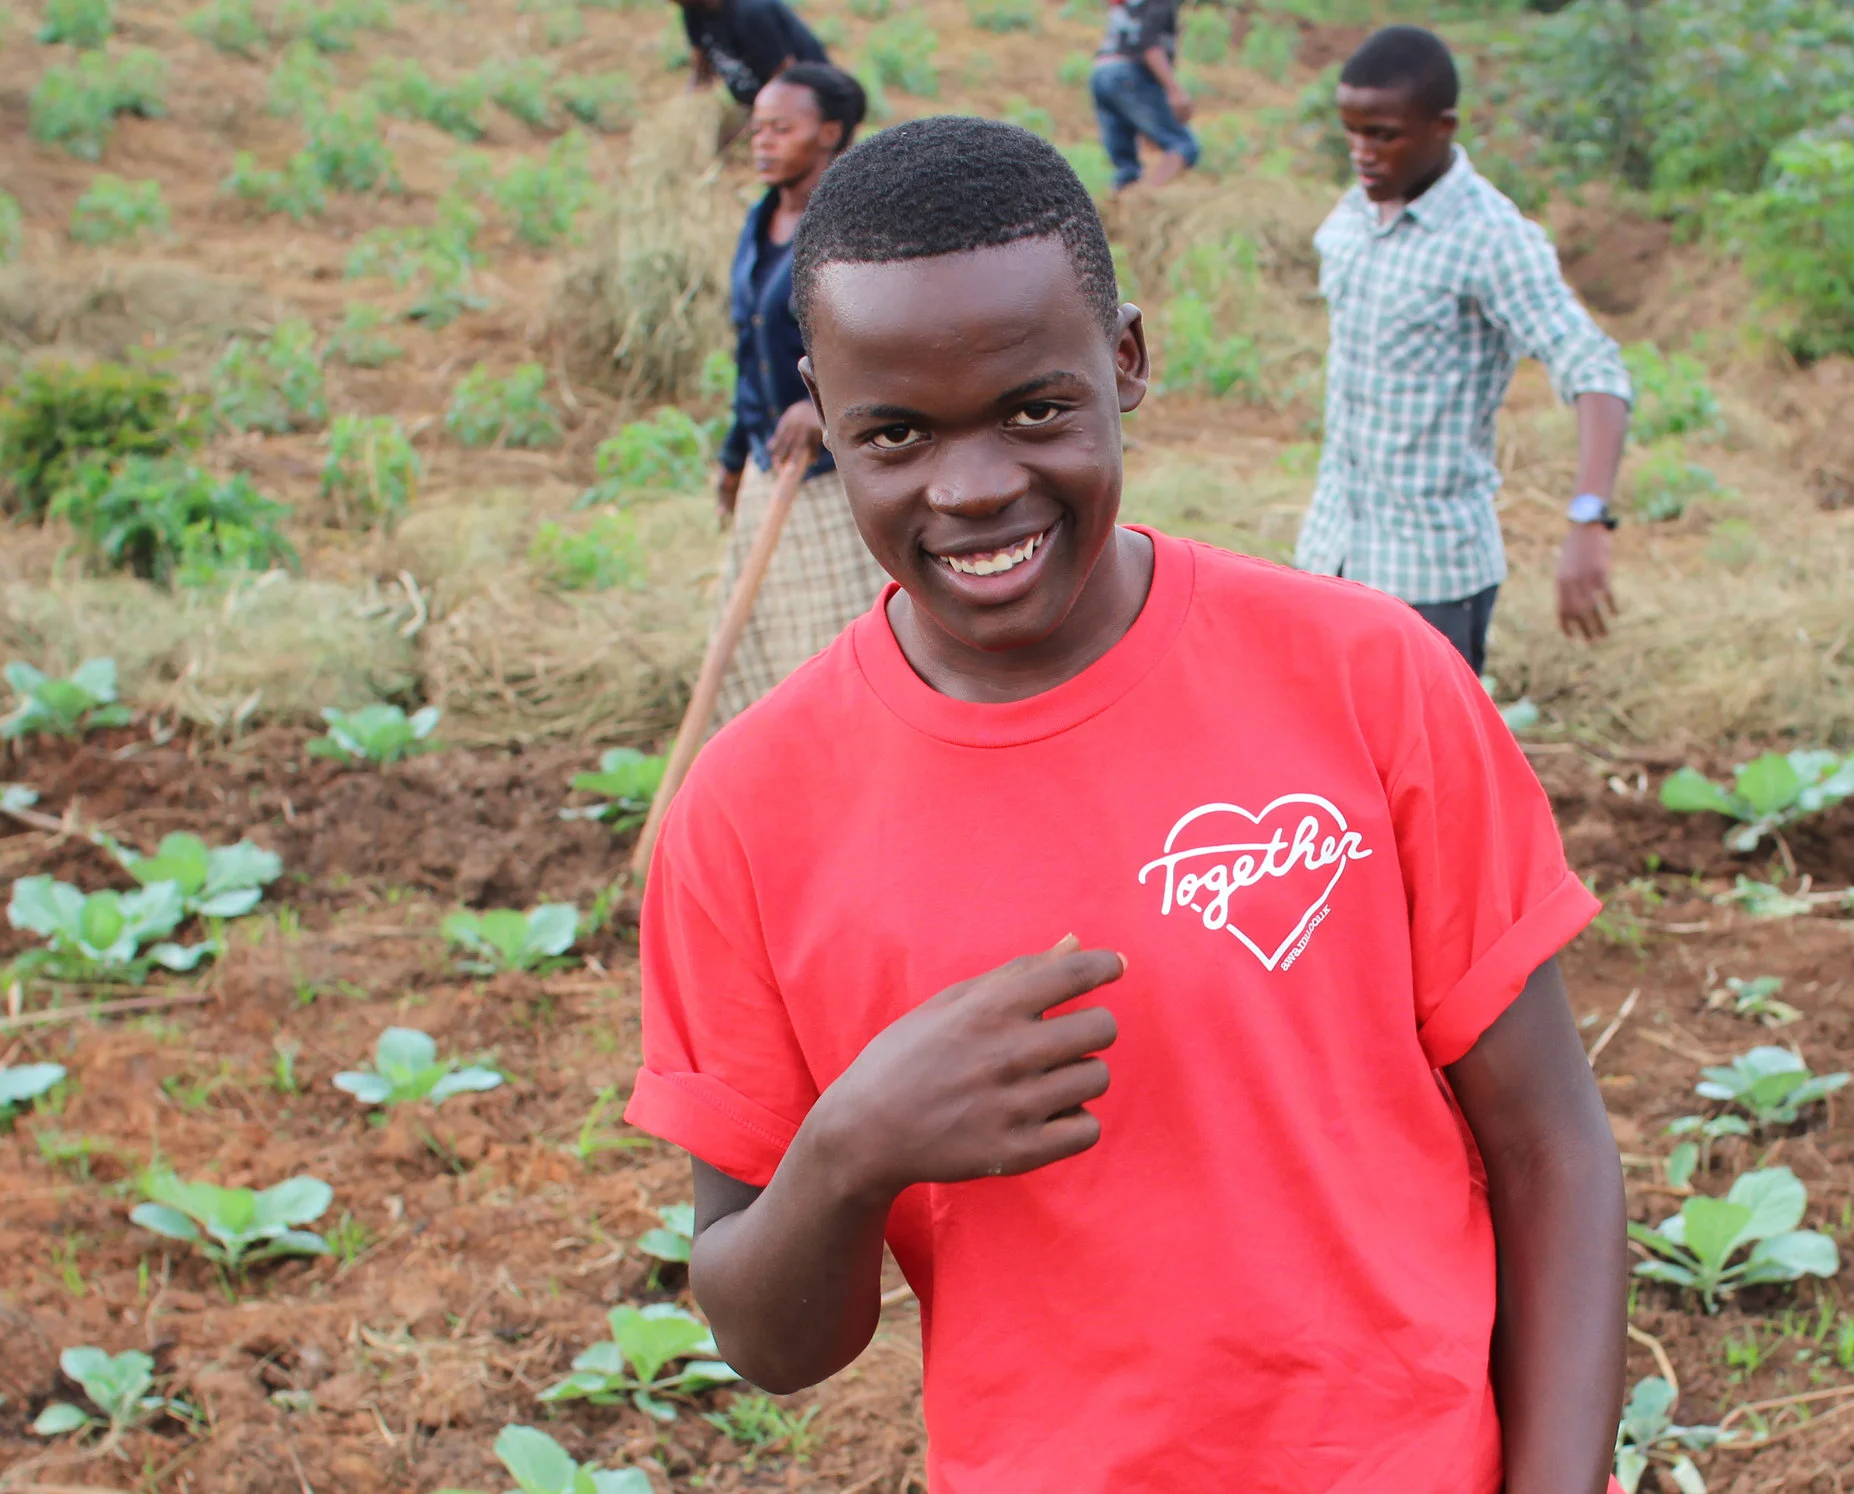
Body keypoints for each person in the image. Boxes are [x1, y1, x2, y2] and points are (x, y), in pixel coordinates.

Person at [628, 117, 1628, 1493]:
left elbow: (1551, 1148)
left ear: (1127, 360)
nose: (974, 488)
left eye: (1036, 409)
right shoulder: (747, 817)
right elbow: (768, 1338)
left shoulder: (1366, 678)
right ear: (822, 409)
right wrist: (851, 1149)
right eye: (897, 433)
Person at [1297, 25, 1631, 678]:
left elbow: (1595, 370)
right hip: (1333, 551)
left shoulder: (1492, 239)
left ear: (1443, 126)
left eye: (1383, 135)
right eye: (1352, 131)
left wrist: (1588, 519)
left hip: (1429, 576)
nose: (1362, 152)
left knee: (1429, 771)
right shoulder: (1360, 208)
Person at [705, 62, 891, 728]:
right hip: (769, 467)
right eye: (758, 128)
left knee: (833, 648)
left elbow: (890, 342)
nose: (763, 142)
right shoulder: (762, 225)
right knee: (759, 651)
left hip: (829, 480)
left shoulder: (856, 230)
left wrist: (821, 405)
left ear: (830, 134)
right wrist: (733, 458)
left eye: (783, 128)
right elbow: (747, 354)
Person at [1089, 0, 1198, 194]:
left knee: (1126, 168)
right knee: (1183, 145)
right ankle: (1143, 198)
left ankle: (1117, 210)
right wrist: (1174, 90)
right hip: (1128, 74)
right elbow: (1148, 44)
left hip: (1101, 73)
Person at [675, 0, 826, 110]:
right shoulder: (693, 9)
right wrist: (689, 103)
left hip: (806, 100)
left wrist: (762, 120)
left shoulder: (749, 12)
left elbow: (786, 73)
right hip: (760, 101)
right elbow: (700, 61)